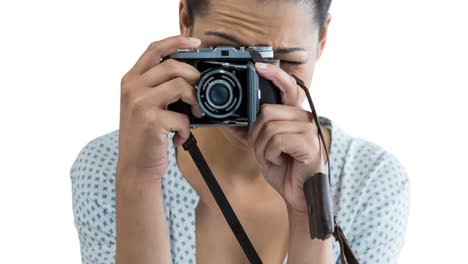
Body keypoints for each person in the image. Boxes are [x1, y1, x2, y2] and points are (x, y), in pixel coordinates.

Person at [70, 0, 410, 263]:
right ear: (185, 18)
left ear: (321, 40)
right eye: (226, 55)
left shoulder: (370, 181)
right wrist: (138, 181)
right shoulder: (106, 165)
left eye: (282, 63)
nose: (250, 87)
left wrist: (309, 209)